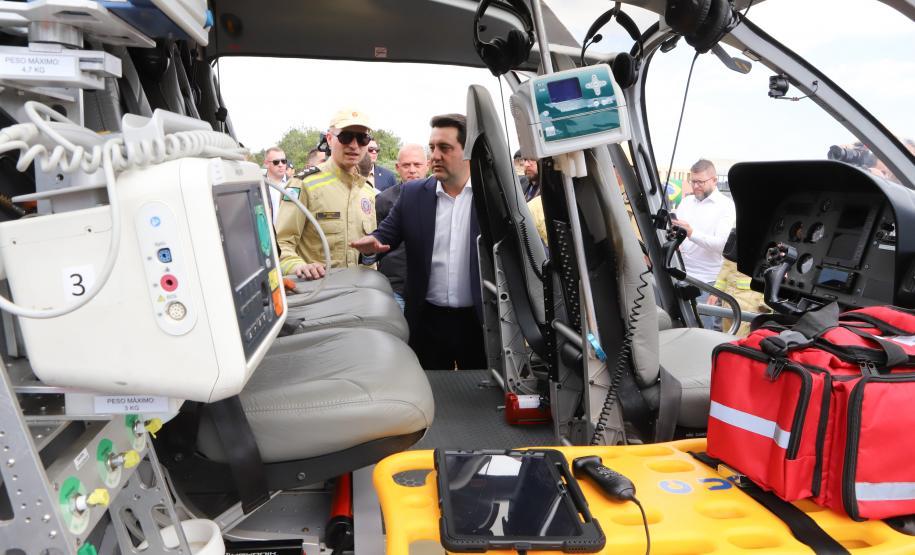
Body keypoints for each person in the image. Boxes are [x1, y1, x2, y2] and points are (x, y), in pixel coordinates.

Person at [350, 114, 485, 370]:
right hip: (427, 322)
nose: (435, 155)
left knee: (480, 399)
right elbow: (384, 236)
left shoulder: (491, 196)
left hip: (479, 323)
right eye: (432, 147)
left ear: (467, 151)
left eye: (444, 148)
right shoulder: (413, 195)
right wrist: (370, 248)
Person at [275, 108, 377, 279]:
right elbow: (281, 244)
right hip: (320, 295)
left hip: (361, 292)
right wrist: (298, 266)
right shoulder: (303, 184)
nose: (354, 145)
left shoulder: (366, 190)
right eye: (345, 137)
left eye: (362, 138)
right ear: (330, 139)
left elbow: (369, 254)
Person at [671, 159, 736, 330]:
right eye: (693, 181)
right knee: (679, 328)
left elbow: (722, 245)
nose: (696, 186)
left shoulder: (726, 206)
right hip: (680, 276)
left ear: (714, 180)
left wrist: (691, 233)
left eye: (701, 182)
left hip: (706, 283)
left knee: (704, 331)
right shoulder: (686, 202)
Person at [263, 147, 288, 223]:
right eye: (276, 162)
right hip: (269, 233)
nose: (281, 165)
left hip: (291, 234)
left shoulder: (295, 183)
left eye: (283, 161)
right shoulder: (258, 185)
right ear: (266, 164)